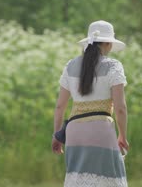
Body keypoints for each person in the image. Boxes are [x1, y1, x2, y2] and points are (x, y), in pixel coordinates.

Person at [52, 20, 129, 187]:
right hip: (101, 129)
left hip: (74, 132)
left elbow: (60, 107)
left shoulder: (70, 66)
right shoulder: (114, 67)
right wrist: (122, 135)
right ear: (108, 43)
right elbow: (121, 108)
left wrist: (56, 134)